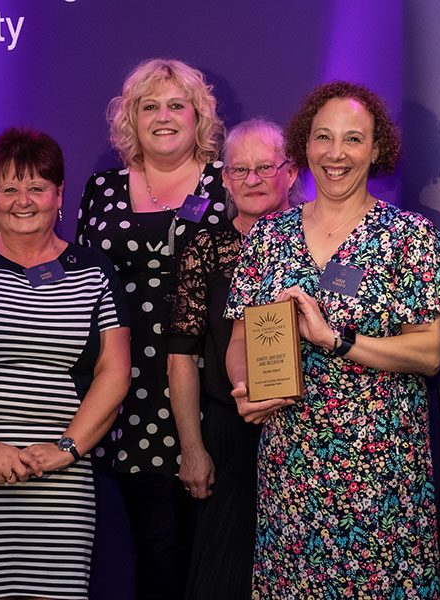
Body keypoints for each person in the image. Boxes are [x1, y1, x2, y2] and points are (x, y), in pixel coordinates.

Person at [224, 81, 440, 598]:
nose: (336, 153)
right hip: (291, 470)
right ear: (305, 145)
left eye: (353, 139)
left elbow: (429, 354)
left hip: (381, 475)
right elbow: (240, 339)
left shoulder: (410, 238)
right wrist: (247, 388)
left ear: (377, 150)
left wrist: (336, 339)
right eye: (323, 137)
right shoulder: (268, 237)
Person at [0, 127, 131, 599]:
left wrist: (67, 449)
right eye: (10, 188)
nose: (23, 201)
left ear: (59, 195)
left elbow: (114, 371)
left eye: (37, 187)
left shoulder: (94, 269)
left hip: (64, 483)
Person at [74, 57, 227, 598]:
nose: (164, 117)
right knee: (156, 549)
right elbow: (77, 284)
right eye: (149, 106)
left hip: (215, 383)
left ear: (199, 115)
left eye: (176, 105)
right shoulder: (102, 189)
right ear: (130, 119)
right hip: (128, 385)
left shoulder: (228, 180)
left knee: (215, 551)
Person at [168, 118, 301, 599]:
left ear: (290, 172)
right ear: (223, 179)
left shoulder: (318, 241)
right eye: (239, 169)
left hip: (308, 428)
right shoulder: (205, 248)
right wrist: (192, 447)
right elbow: (181, 355)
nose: (251, 180)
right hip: (229, 430)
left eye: (265, 167)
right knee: (225, 570)